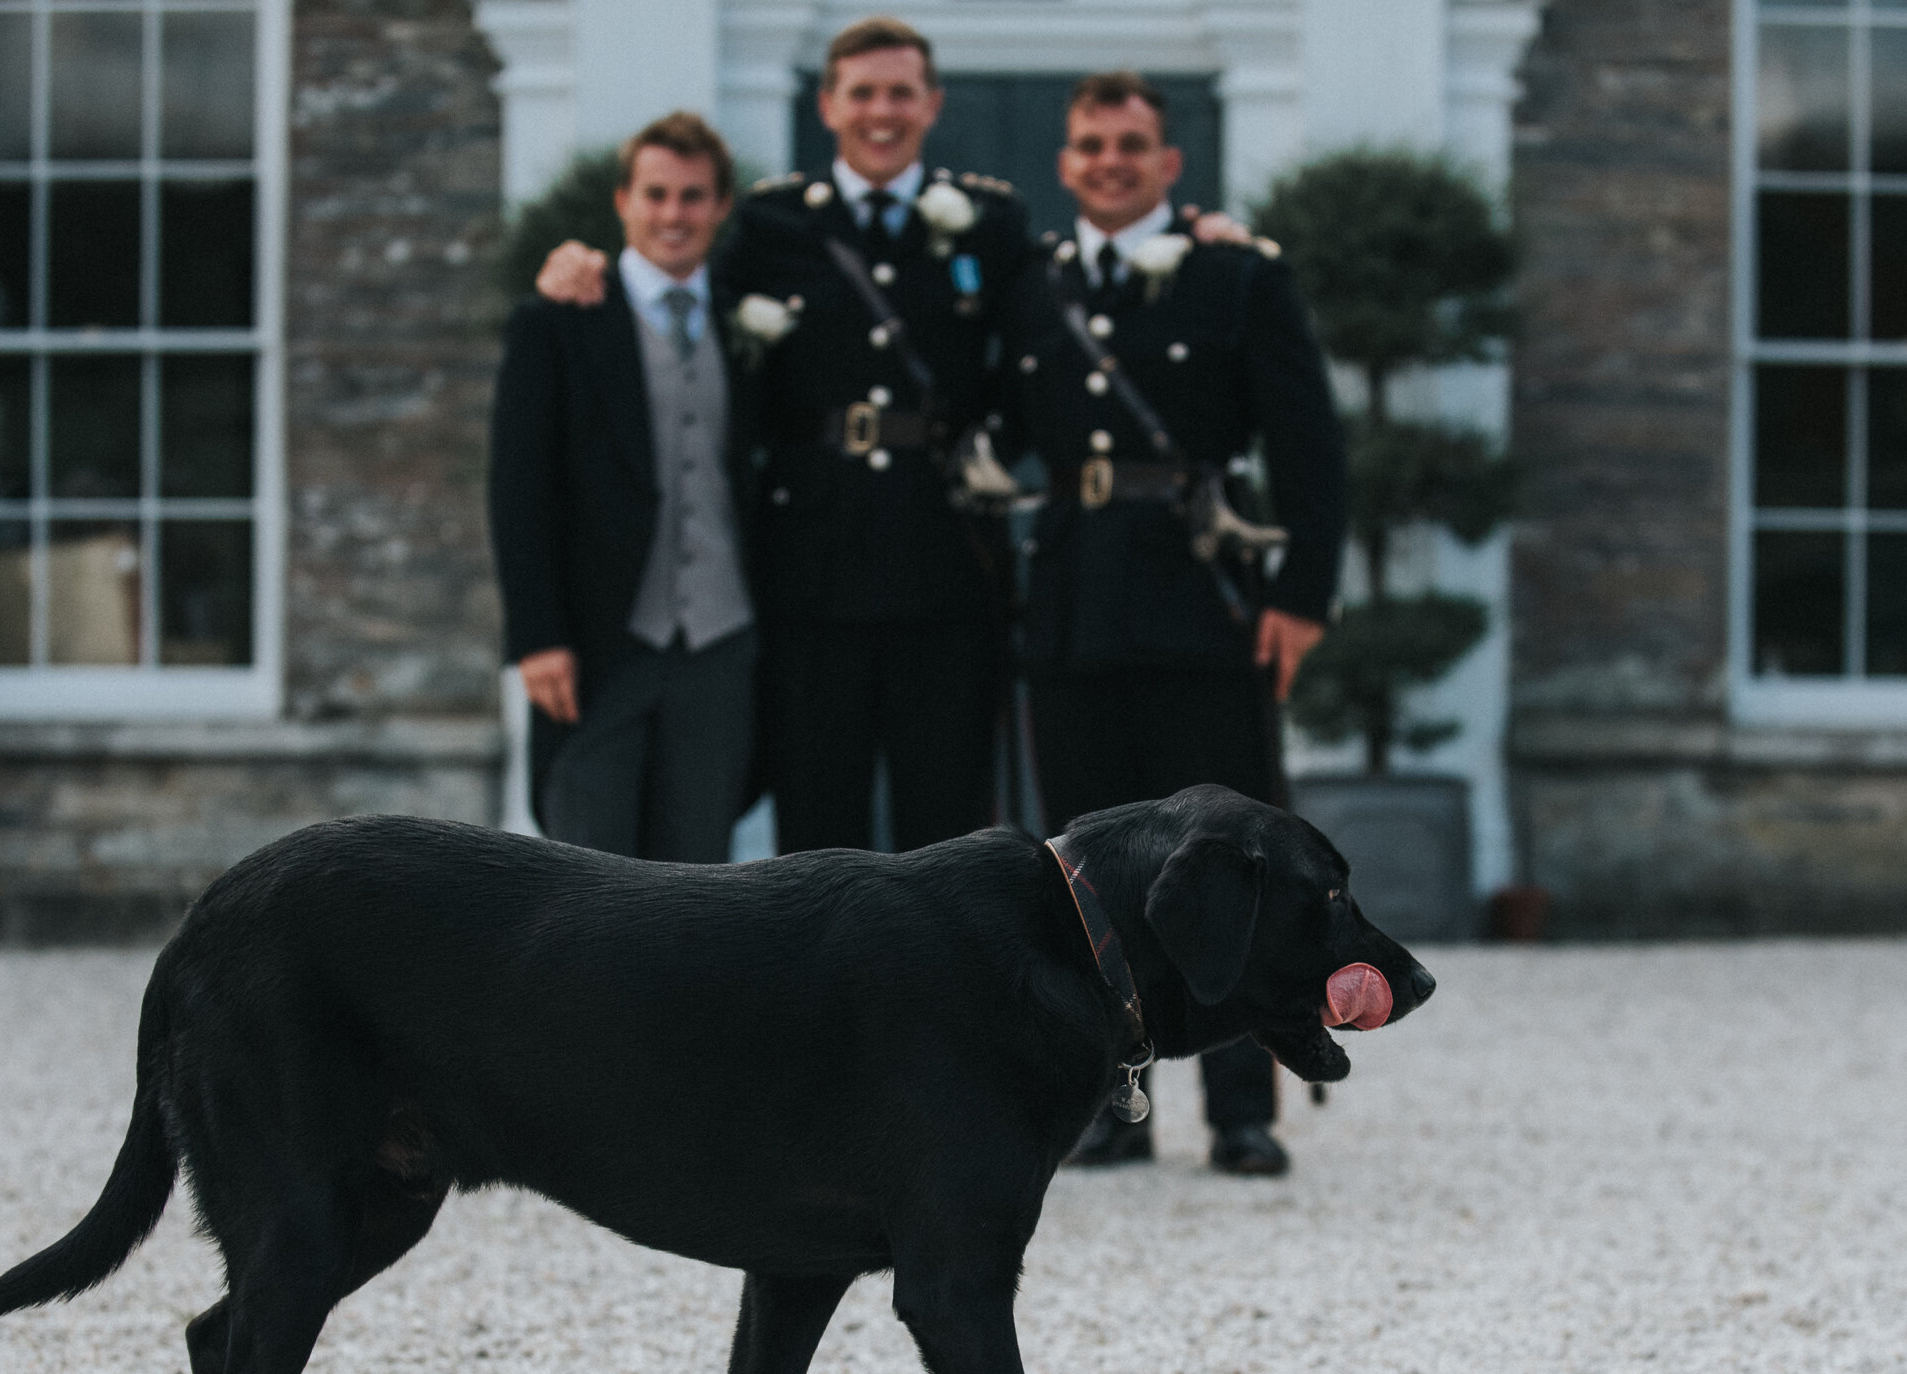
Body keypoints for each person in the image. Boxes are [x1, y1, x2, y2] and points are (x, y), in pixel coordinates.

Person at [533, 17, 1032, 855]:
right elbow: (668, 303)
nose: (882, 111)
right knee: (818, 829)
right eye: (863, 93)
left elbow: (1045, 350)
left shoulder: (991, 221)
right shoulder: (769, 228)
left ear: (932, 104)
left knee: (948, 831)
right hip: (810, 572)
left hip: (945, 563)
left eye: (900, 93)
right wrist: (572, 267)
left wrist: (1209, 241)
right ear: (828, 104)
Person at [1006, 72, 1347, 1175]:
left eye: (1132, 144)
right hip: (1068, 607)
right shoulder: (1028, 287)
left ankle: (1244, 1107)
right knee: (1085, 877)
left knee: (1237, 864)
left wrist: (1300, 595)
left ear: (1169, 163)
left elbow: (1310, 446)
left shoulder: (1236, 277)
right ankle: (1116, 1105)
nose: (1111, 159)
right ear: (1064, 166)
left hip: (1203, 607)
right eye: (1091, 143)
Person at [488, 112, 759, 862]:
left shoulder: (750, 316)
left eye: (693, 196)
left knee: (701, 886)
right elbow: (518, 489)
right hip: (600, 642)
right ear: (623, 202)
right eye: (657, 194)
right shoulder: (557, 321)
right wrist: (537, 636)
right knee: (590, 880)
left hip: (721, 645)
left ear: (720, 206)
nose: (674, 215)